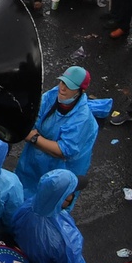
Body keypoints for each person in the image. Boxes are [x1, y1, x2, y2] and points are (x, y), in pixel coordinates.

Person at [16, 65, 99, 194]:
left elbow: (63, 151)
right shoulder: (52, 95)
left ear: (80, 91)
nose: (63, 88)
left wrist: (34, 138)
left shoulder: (82, 119)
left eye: (69, 86)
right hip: (36, 159)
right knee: (23, 189)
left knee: (51, 197)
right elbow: (34, 115)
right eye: (62, 82)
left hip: (62, 167)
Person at [12, 169, 90, 263]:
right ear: (63, 198)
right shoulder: (66, 238)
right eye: (71, 193)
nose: (73, 196)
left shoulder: (27, 206)